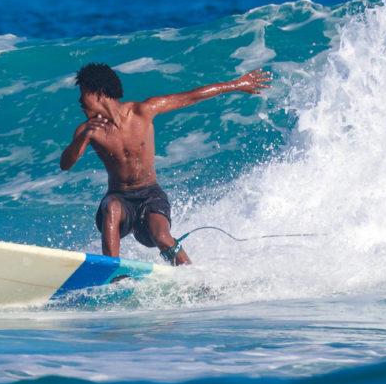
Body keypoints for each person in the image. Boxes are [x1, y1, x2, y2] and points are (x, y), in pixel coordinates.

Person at [59, 63, 272, 264]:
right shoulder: (87, 130)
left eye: (83, 94)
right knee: (112, 208)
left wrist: (236, 84)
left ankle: (192, 277)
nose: (80, 102)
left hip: (151, 194)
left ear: (99, 92)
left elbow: (191, 97)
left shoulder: (143, 111)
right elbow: (65, 165)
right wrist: (82, 138)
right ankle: (113, 272)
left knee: (161, 235)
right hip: (119, 199)